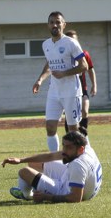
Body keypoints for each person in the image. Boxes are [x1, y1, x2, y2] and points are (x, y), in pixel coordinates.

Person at [33, 11, 88, 152]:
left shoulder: (71, 43)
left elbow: (84, 66)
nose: (55, 25)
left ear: (64, 24)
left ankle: (81, 157)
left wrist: (64, 73)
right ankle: (55, 160)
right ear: (48, 25)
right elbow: (50, 65)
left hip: (71, 91)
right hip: (54, 92)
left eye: (58, 22)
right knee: (50, 127)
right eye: (52, 22)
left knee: (73, 130)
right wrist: (40, 79)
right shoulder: (46, 45)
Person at [1, 131, 102, 203]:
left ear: (80, 149)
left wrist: (46, 197)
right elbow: (50, 156)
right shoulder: (87, 149)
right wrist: (21, 160)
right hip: (72, 178)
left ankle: (28, 195)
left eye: (69, 147)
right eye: (64, 146)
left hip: (64, 190)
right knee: (32, 163)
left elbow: (75, 198)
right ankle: (38, 185)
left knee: (24, 172)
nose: (64, 151)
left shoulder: (78, 165)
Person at [64, 30, 96, 135]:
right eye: (70, 39)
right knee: (70, 114)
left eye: (74, 39)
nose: (72, 41)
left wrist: (94, 85)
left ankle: (83, 136)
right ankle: (70, 138)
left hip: (82, 88)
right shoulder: (63, 55)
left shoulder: (84, 54)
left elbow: (90, 69)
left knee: (85, 111)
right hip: (68, 89)